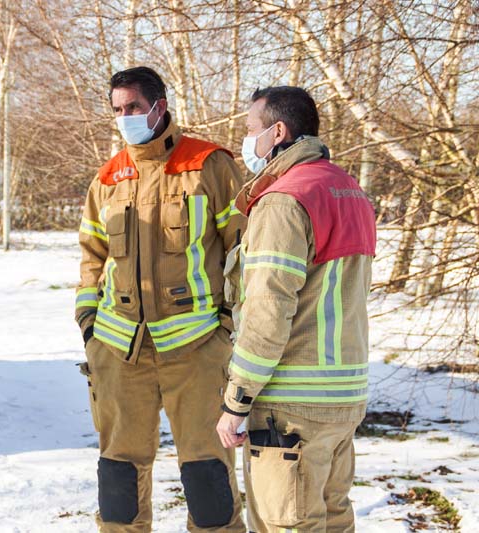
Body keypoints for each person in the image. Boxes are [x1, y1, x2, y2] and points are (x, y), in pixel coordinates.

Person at [76, 66, 246, 532]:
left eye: (133, 107)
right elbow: (91, 256)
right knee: (118, 482)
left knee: (208, 479)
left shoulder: (210, 165)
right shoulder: (108, 177)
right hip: (119, 353)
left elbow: (243, 251)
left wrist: (227, 324)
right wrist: (89, 325)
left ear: (159, 107)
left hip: (197, 350)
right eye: (117, 109)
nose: (125, 117)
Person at [216, 86, 376, 533]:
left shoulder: (284, 201)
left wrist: (237, 400)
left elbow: (267, 312)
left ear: (278, 132)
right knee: (333, 520)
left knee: (285, 524)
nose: (246, 139)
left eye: (251, 128)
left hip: (290, 407)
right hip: (343, 398)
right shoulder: (350, 191)